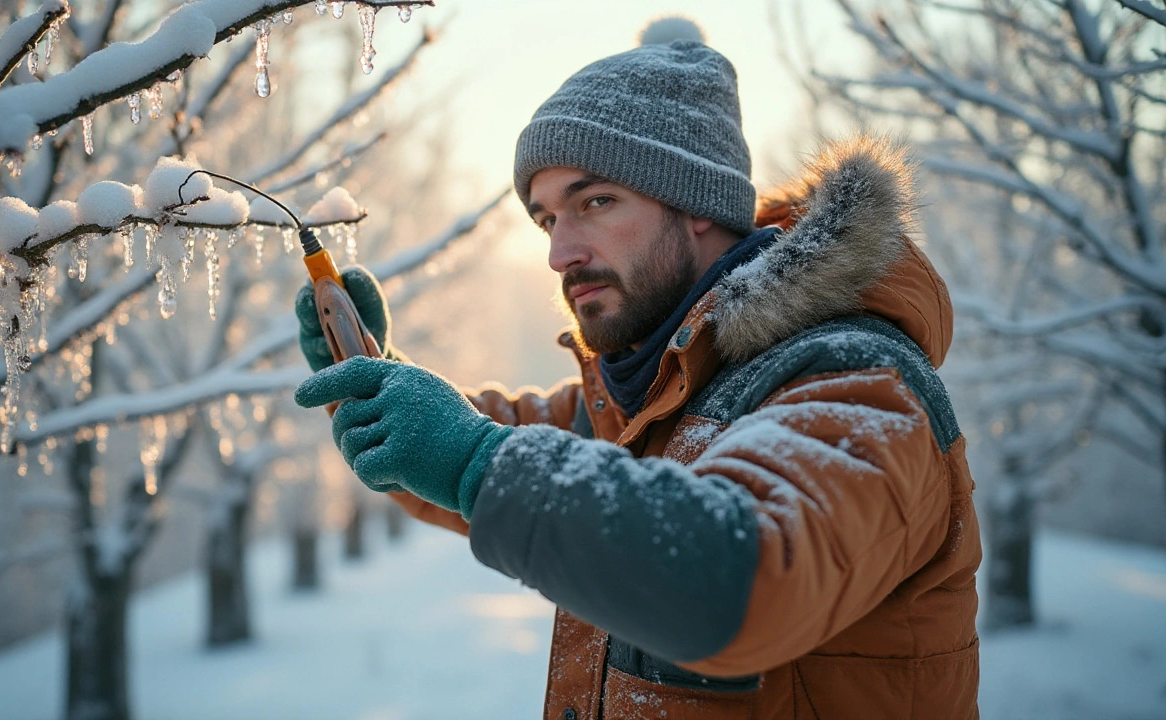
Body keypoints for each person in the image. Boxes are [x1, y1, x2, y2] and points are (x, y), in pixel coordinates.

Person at [294, 20, 981, 720]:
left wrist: (476, 461)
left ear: (697, 207)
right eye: (546, 219)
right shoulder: (645, 395)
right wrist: (380, 377)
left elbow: (740, 578)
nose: (560, 252)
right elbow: (490, 436)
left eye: (594, 202)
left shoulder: (859, 382)